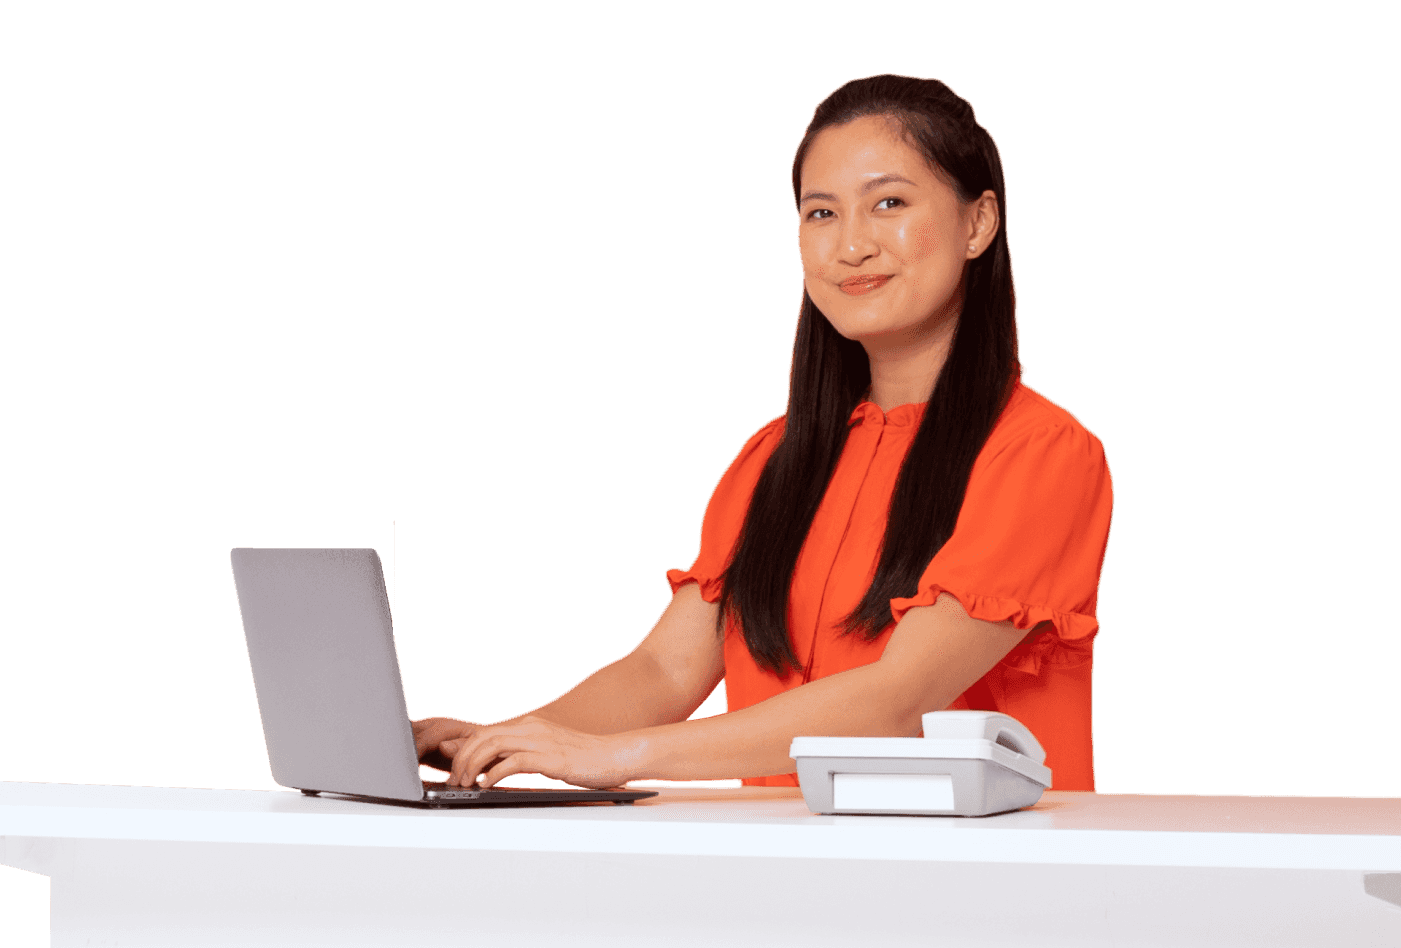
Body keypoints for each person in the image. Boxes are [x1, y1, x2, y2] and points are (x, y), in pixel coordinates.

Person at [415, 74, 1115, 792]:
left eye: (889, 203)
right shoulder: (774, 459)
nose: (850, 246)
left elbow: (897, 701)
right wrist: (505, 741)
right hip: (776, 875)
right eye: (820, 214)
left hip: (969, 885)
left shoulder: (1042, 455)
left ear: (979, 223)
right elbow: (664, 670)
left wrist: (616, 758)